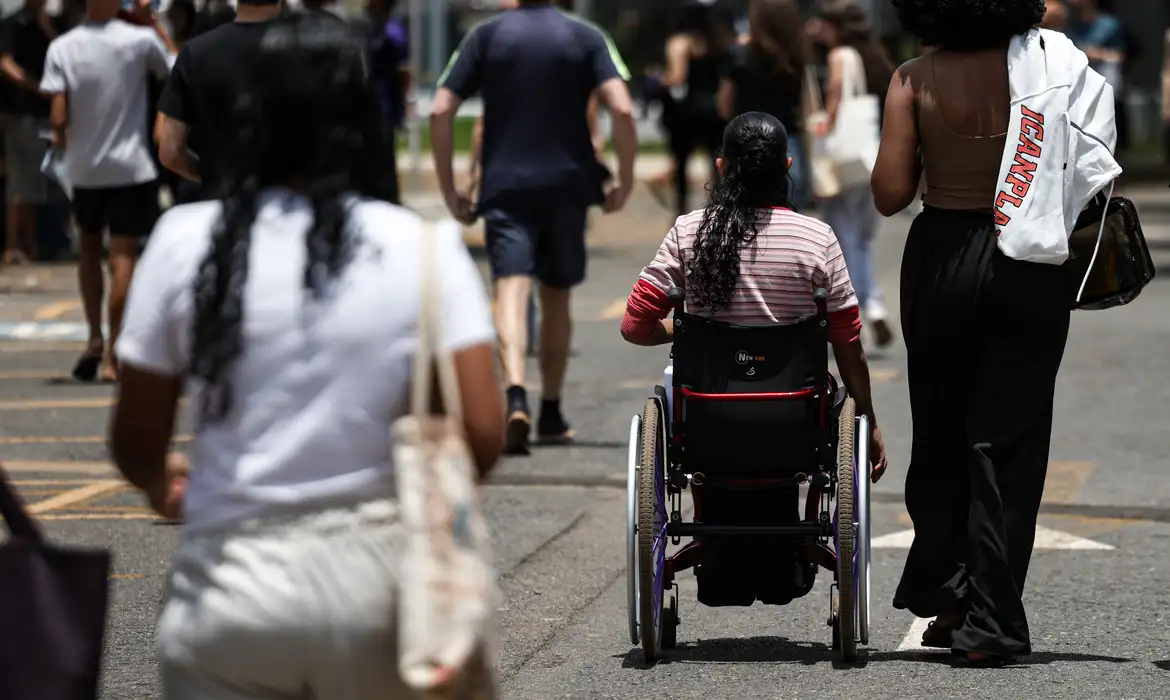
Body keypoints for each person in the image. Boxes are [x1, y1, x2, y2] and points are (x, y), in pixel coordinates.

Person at [109, 14, 504, 698]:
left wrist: (162, 480)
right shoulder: (423, 248)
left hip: (228, 591)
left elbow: (135, 444)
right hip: (377, 590)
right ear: (358, 122)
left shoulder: (181, 241)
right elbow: (484, 434)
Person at [872, 0, 1099, 665]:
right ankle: (992, 619)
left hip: (942, 258)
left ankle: (951, 597)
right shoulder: (1047, 70)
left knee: (941, 429)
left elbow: (889, 193)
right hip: (1028, 261)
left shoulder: (913, 78)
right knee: (1009, 443)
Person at [620, 111, 887, 475]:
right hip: (793, 423)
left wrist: (684, 330)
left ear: (721, 167)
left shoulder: (687, 233)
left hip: (708, 420)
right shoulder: (817, 239)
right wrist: (869, 420)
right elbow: (847, 343)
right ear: (787, 166)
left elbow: (634, 326)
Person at [431, 0, 637, 454]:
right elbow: (623, 109)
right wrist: (625, 178)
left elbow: (440, 109)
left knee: (510, 288)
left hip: (505, 185)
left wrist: (450, 187)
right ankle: (552, 411)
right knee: (557, 297)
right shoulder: (587, 36)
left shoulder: (485, 36)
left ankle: (516, 394)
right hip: (568, 186)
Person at [41, 0, 176, 382]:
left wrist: (62, 147)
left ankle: (94, 337)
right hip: (130, 166)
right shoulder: (139, 41)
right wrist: (154, 23)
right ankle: (114, 353)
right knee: (122, 256)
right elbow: (177, 68)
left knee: (88, 250)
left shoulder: (62, 47)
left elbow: (58, 116)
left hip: (84, 169)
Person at [807, 0, 895, 348]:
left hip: (842, 162)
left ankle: (857, 310)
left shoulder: (839, 55)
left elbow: (835, 95)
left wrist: (823, 129)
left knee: (844, 241)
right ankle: (874, 306)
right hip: (865, 159)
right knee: (858, 241)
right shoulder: (871, 56)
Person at [156, 0, 282, 204]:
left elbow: (170, 151)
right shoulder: (308, 48)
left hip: (219, 201)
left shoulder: (195, 52)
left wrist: (210, 176)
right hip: (290, 206)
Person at [717, 0, 811, 210]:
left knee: (743, 210)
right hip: (788, 141)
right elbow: (806, 108)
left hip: (745, 140)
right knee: (790, 210)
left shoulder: (738, 55)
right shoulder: (797, 56)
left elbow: (723, 105)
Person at [656, 0, 734, 215]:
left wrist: (658, 81)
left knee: (681, 163)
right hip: (715, 110)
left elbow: (677, 77)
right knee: (717, 163)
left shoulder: (681, 42)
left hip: (687, 111)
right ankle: (720, 211)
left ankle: (681, 210)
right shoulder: (721, 41)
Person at [0, 0, 59, 264]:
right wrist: (33, 85)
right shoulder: (12, 24)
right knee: (19, 181)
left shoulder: (45, 25)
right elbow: (5, 62)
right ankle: (14, 242)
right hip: (20, 111)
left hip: (40, 114)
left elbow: (63, 53)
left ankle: (28, 241)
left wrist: (48, 30)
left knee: (34, 181)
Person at [1065, 0, 1126, 152]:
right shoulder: (1068, 26)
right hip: (1076, 88)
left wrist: (1096, 54)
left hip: (1103, 82)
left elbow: (1120, 56)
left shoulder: (1108, 25)